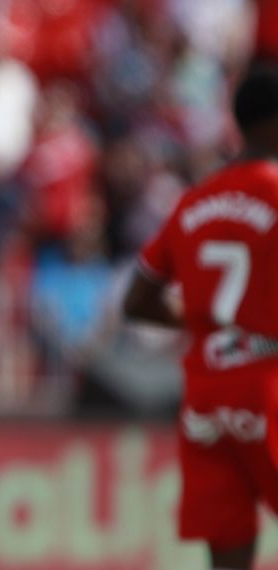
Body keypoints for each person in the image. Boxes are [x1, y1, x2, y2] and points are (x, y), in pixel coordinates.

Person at [121, 63, 278, 570]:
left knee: (228, 558)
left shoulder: (193, 202)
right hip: (269, 381)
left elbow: (137, 301)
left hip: (206, 395)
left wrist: (203, 321)